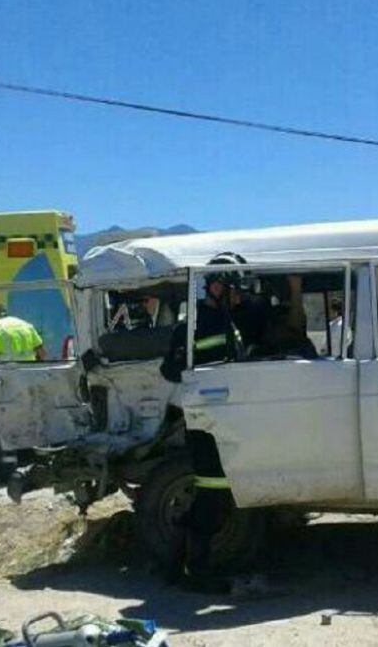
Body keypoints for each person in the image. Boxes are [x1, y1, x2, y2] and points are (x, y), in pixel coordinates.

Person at [161, 252, 246, 593]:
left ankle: (175, 567)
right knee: (212, 498)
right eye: (233, 289)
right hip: (206, 422)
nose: (238, 296)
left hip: (224, 420)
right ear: (215, 287)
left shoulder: (227, 322)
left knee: (214, 499)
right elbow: (169, 370)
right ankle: (195, 573)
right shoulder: (192, 325)